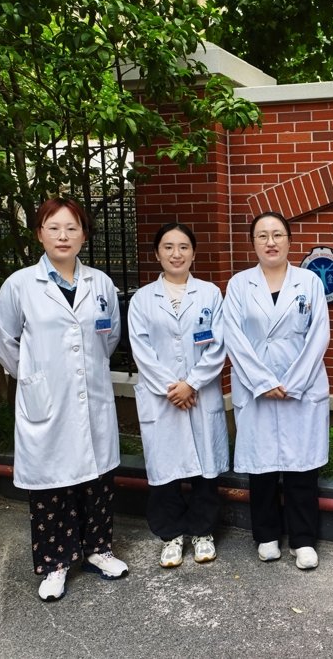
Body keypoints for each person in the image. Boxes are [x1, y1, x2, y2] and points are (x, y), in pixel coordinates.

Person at [0, 196, 128, 602]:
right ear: (40, 234)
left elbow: (109, 335)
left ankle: (98, 549)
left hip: (92, 396)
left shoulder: (100, 284)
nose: (63, 236)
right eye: (54, 228)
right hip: (46, 399)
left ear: (84, 235)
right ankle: (55, 563)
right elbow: (4, 341)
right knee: (52, 482)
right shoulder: (20, 285)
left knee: (97, 476)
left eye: (72, 228)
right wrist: (34, 377)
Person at [224, 211, 330, 570]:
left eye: (277, 235)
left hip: (301, 386)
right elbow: (234, 337)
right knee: (262, 466)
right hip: (257, 388)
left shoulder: (309, 281)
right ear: (253, 243)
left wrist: (294, 383)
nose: (270, 242)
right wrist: (263, 382)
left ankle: (303, 540)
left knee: (302, 467)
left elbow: (319, 334)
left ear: (289, 240)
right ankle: (266, 535)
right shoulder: (240, 284)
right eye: (262, 235)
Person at [127, 223, 229, 568]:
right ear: (157, 254)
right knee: (165, 470)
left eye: (183, 247)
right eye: (168, 247)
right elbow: (141, 350)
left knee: (205, 470)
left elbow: (218, 344)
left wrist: (193, 383)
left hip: (199, 393)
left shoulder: (210, 294)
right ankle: (170, 535)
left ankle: (202, 532)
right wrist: (173, 388)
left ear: (193, 253)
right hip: (163, 398)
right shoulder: (142, 299)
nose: (176, 254)